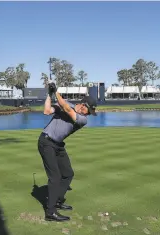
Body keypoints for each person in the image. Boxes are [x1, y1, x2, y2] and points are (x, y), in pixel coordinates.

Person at [38, 82, 97, 222]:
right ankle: (50, 212)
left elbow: (66, 108)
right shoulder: (67, 104)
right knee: (55, 177)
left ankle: (57, 201)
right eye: (89, 111)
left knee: (68, 174)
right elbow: (47, 111)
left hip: (58, 145)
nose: (89, 114)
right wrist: (49, 93)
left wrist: (56, 91)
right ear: (83, 106)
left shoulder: (83, 120)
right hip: (46, 142)